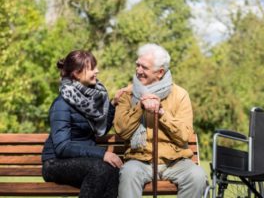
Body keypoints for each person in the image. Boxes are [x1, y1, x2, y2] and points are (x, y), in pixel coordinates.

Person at [114, 43, 207, 198]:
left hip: (175, 161)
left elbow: (184, 135)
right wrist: (140, 107)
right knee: (129, 173)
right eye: (137, 65)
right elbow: (122, 131)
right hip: (140, 160)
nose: (138, 71)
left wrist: (161, 113)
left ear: (160, 72)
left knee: (197, 176)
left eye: (144, 67)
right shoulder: (126, 94)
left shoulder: (180, 94)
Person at [41, 50, 124, 198]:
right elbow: (63, 147)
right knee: (100, 169)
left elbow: (100, 130)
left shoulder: (91, 100)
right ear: (77, 74)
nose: (97, 71)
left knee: (112, 171)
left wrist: (112, 104)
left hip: (83, 160)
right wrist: (102, 154)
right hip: (56, 162)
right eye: (91, 68)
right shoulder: (61, 103)